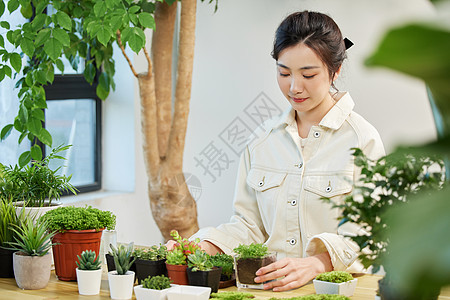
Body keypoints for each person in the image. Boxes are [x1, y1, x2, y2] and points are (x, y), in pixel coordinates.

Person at [167, 10, 385, 291]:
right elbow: (249, 226)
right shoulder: (262, 140)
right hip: (267, 290)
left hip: (331, 291)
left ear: (336, 71)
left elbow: (371, 235)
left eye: (308, 74)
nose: (294, 87)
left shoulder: (362, 141)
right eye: (284, 73)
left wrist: (319, 263)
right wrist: (205, 245)